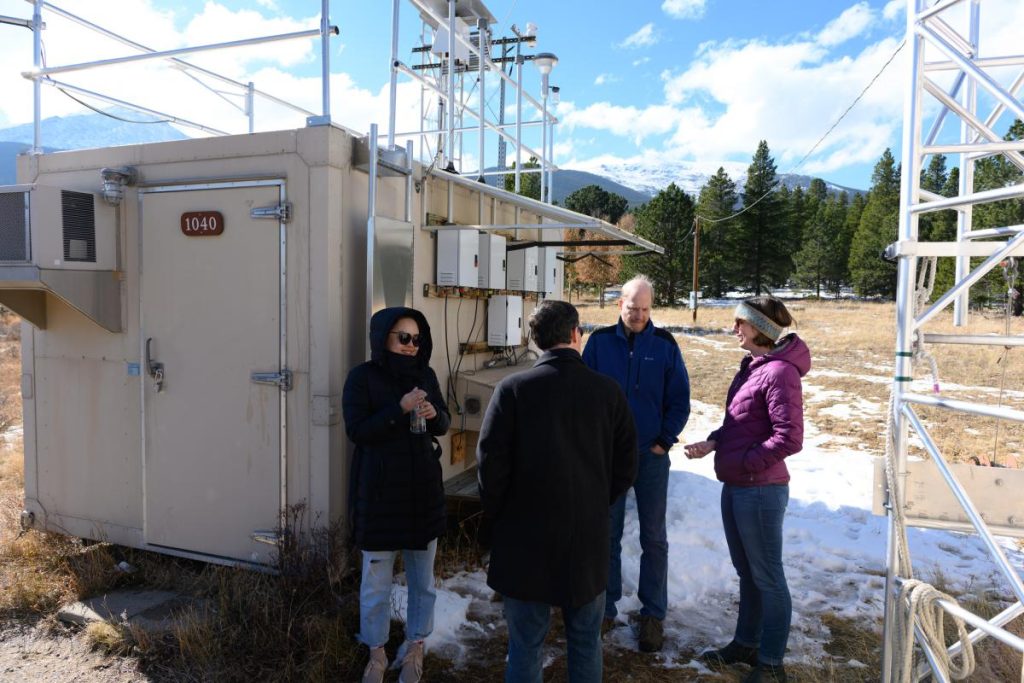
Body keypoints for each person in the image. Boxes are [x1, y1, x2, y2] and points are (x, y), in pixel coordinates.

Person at [477, 299, 638, 683]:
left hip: (523, 538)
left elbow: (490, 467)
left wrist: (502, 517)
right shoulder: (607, 392)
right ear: (575, 335)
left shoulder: (512, 389)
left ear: (536, 341)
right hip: (586, 539)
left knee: (525, 644)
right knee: (585, 641)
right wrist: (597, 500)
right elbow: (626, 466)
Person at [684, 296, 810, 683]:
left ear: (760, 328)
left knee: (768, 577)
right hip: (739, 486)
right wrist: (715, 442)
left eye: (740, 323)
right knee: (748, 573)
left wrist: (745, 462)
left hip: (759, 490)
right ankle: (745, 643)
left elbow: (789, 438)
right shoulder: (755, 367)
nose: (734, 329)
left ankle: (771, 665)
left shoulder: (779, 374)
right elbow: (742, 423)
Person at [581, 274, 690, 652]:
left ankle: (653, 615)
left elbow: (680, 399)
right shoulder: (597, 344)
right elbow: (584, 397)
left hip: (650, 456)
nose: (639, 315)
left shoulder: (664, 345)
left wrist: (664, 440)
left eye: (645, 309)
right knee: (605, 534)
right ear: (619, 305)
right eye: (633, 308)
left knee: (653, 538)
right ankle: (605, 608)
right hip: (608, 456)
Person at [342, 307, 450, 683]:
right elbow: (357, 430)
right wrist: (398, 409)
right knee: (375, 582)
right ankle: (375, 652)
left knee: (423, 580)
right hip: (380, 494)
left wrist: (433, 412)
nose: (411, 346)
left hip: (423, 492)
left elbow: (445, 424)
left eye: (417, 339)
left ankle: (415, 647)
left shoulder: (427, 374)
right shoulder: (363, 378)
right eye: (403, 337)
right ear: (383, 337)